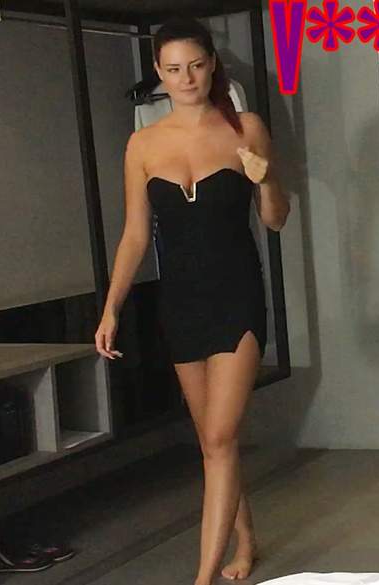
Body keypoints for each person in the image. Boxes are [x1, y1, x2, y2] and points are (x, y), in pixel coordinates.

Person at [94, 15, 290, 584]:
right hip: (180, 303)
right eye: (174, 69)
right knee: (212, 441)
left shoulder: (245, 127)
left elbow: (275, 219)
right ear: (158, 72)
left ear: (212, 65)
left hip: (236, 296)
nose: (186, 78)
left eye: (197, 65)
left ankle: (201, 579)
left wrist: (266, 180)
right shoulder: (142, 144)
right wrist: (111, 307)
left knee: (221, 437)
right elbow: (136, 235)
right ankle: (245, 540)